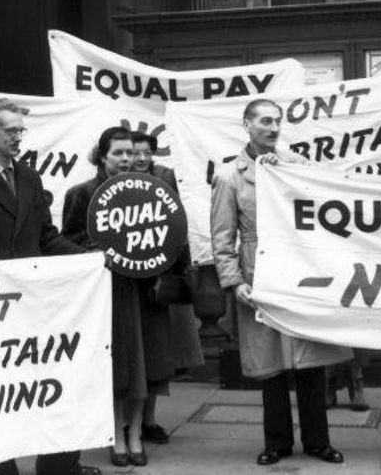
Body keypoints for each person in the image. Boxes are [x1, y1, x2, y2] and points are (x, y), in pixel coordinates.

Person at [0, 98, 99, 475]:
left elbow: (46, 237)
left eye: (21, 131)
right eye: (11, 131)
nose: (18, 138)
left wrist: (87, 260)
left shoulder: (30, 177)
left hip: (33, 304)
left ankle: (58, 465)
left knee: (45, 384)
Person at [210, 99, 350, 466]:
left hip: (300, 271)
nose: (273, 128)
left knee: (309, 361)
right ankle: (277, 442)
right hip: (259, 273)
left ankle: (318, 441)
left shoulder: (294, 164)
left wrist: (286, 166)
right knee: (269, 365)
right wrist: (234, 281)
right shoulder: (229, 176)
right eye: (265, 121)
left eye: (278, 121)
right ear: (247, 124)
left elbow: (324, 192)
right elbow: (222, 238)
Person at [62, 126, 152, 468]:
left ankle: (135, 434)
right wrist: (98, 251)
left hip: (139, 288)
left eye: (130, 152)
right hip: (103, 291)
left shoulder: (148, 190)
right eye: (119, 153)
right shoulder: (81, 193)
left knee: (141, 364)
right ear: (102, 156)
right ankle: (115, 432)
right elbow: (67, 240)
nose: (127, 159)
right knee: (114, 365)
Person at [129, 131, 203, 444]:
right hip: (127, 275)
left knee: (157, 357)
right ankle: (126, 424)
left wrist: (180, 269)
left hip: (158, 274)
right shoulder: (116, 180)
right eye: (136, 153)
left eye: (148, 152)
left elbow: (177, 223)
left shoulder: (164, 176)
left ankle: (149, 421)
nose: (142, 159)